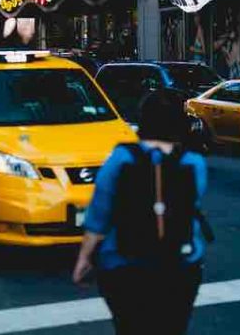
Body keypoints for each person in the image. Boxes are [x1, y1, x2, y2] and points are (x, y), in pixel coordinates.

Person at [73, 89, 209, 335]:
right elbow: (191, 207)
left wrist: (84, 258)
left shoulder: (121, 158)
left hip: (124, 266)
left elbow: (99, 216)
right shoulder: (193, 163)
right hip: (179, 267)